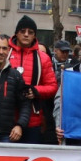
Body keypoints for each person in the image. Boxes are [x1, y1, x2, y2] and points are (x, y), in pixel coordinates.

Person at [7, 15, 57, 144]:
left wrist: (35, 91)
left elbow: (52, 86)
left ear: (35, 35)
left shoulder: (43, 58)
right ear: (16, 33)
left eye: (30, 32)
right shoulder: (5, 53)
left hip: (33, 119)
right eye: (22, 31)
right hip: (6, 116)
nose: (26, 35)